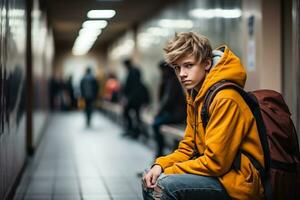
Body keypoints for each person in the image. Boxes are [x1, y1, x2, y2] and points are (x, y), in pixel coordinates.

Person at [142, 32, 265, 200]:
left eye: (188, 65)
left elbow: (216, 163)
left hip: (238, 181)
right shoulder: (196, 95)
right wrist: (160, 165)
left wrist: (167, 171)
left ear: (206, 63)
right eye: (177, 68)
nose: (182, 74)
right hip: (220, 174)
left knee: (164, 185)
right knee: (150, 177)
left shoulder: (225, 98)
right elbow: (188, 147)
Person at [152, 61, 186, 157]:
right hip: (174, 114)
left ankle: (159, 152)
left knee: (155, 124)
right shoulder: (168, 81)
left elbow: (168, 100)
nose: (161, 73)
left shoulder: (172, 81)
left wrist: (158, 113)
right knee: (156, 122)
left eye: (162, 70)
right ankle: (161, 151)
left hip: (178, 115)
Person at [121, 59, 150, 139]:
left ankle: (133, 131)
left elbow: (127, 86)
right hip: (138, 97)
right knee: (137, 115)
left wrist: (126, 97)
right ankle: (136, 132)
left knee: (126, 112)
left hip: (133, 98)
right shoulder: (135, 70)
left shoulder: (131, 72)